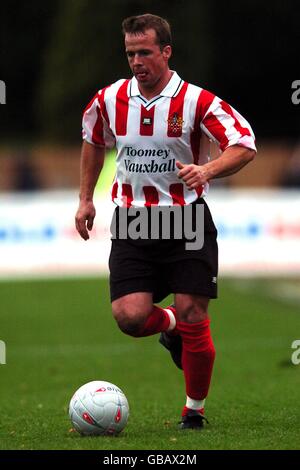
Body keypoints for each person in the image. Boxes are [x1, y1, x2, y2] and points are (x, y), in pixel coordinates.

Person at [75, 13, 256, 429]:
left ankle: (194, 412)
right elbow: (92, 140)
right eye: (130, 53)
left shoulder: (196, 101)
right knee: (130, 317)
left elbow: (244, 144)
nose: (136, 61)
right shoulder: (109, 99)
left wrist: (207, 171)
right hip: (133, 222)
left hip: (186, 221)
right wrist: (86, 199)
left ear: (166, 51)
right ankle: (171, 326)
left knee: (195, 313)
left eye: (145, 52)